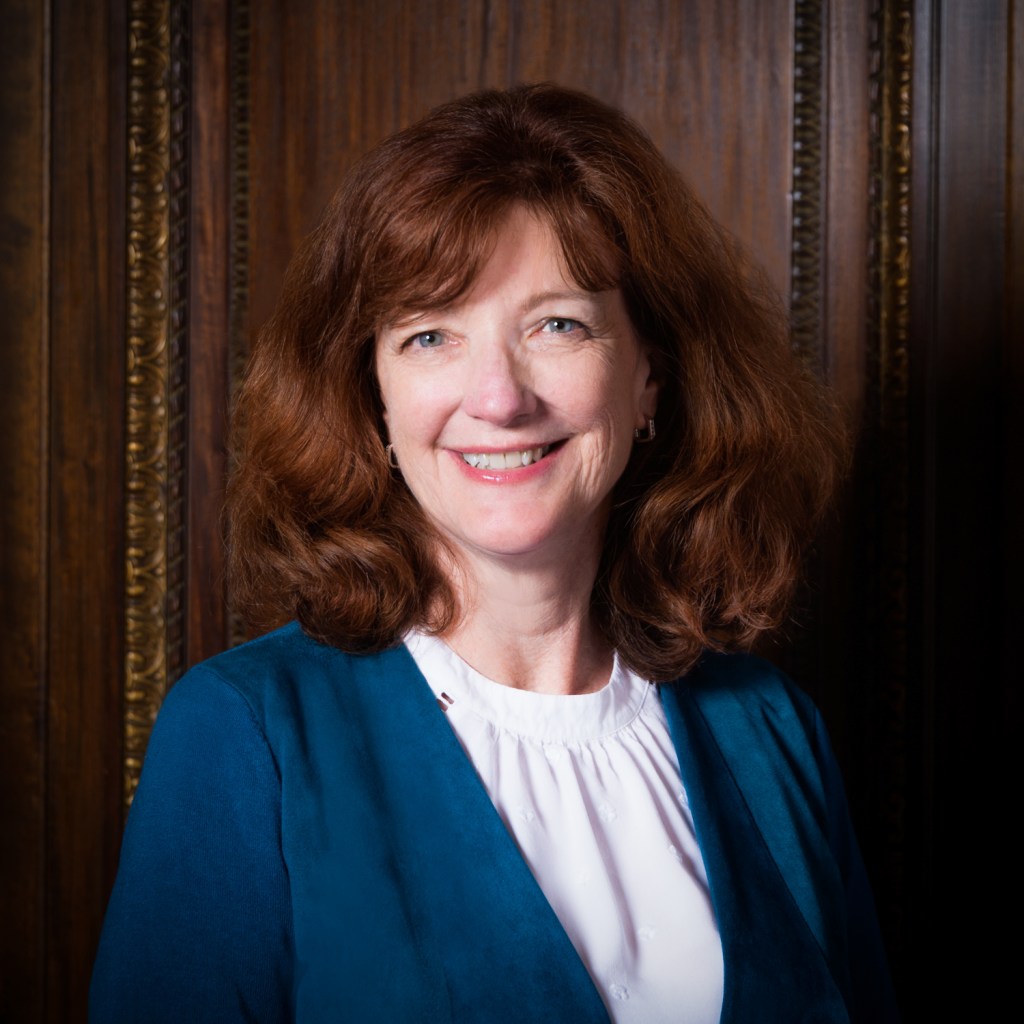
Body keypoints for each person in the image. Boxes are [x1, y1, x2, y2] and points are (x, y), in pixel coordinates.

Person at [90, 84, 898, 1022]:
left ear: (648, 375)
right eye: (431, 336)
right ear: (374, 397)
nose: (499, 399)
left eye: (557, 324)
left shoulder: (770, 727)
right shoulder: (247, 735)